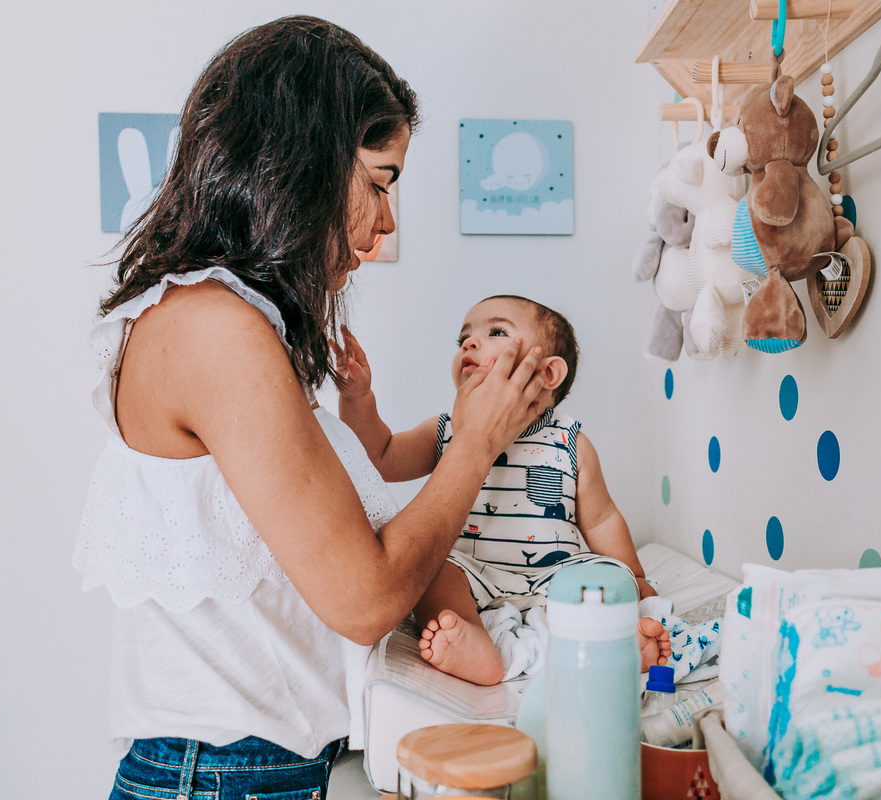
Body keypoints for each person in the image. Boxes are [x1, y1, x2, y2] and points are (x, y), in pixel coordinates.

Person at [72, 16, 549, 800]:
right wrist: (476, 445)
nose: (387, 221)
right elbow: (364, 599)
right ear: (304, 161)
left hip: (237, 771)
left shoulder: (211, 319)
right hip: (225, 776)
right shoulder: (214, 329)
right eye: (380, 183)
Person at [331, 295, 672, 686]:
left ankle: (614, 639)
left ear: (548, 374)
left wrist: (633, 573)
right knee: (429, 576)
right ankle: (475, 646)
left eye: (495, 332)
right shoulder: (444, 432)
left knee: (609, 581)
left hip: (555, 574)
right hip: (474, 576)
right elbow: (380, 454)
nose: (468, 344)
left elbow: (602, 517)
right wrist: (358, 399)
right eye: (463, 338)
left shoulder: (570, 441)